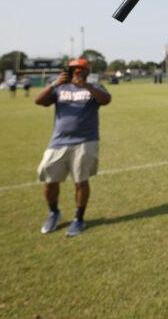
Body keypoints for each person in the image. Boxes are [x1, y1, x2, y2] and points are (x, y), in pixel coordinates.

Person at [34, 57, 111, 237]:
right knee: (50, 180)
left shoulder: (94, 87)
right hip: (58, 142)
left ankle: (79, 218)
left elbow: (106, 100)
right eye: (73, 69)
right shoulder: (60, 87)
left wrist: (86, 86)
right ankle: (54, 212)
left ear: (86, 72)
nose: (76, 72)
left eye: (80, 69)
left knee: (81, 181)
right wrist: (54, 84)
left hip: (86, 141)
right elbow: (39, 101)